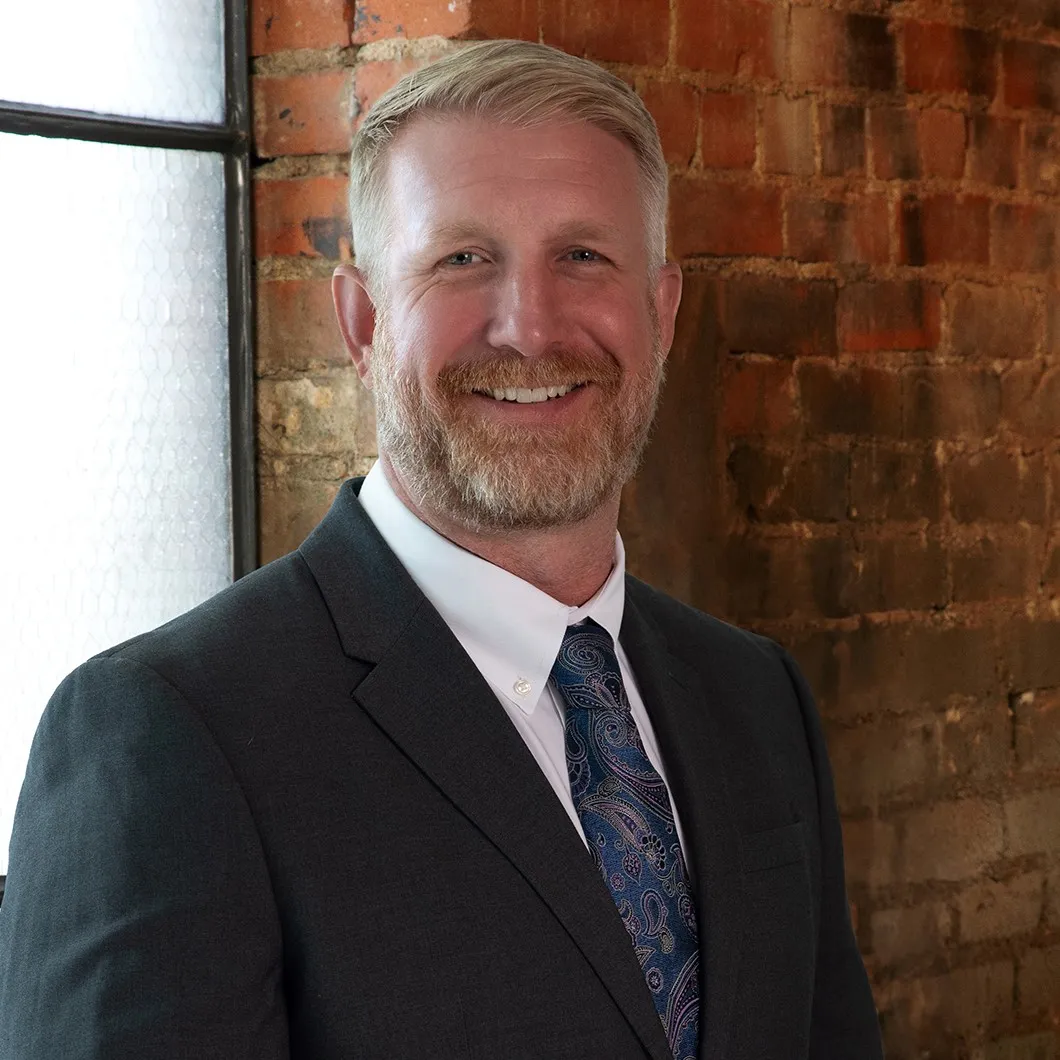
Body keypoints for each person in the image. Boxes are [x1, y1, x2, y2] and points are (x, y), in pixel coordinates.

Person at [0, 39, 883, 1060]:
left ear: (662, 309)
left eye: (584, 256)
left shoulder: (754, 695)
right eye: (463, 258)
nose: (530, 327)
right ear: (363, 320)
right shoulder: (167, 737)